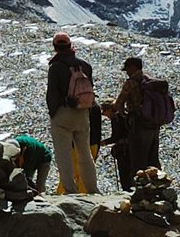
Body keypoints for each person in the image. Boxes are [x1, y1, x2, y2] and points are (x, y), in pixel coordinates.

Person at [44, 33, 99, 193]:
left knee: (64, 155)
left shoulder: (56, 67)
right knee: (85, 153)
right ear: (70, 46)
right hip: (82, 113)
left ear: (55, 47)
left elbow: (52, 93)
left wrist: (53, 113)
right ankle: (92, 189)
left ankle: (70, 190)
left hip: (63, 113)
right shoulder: (85, 66)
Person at [106, 55, 167, 188]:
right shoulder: (150, 81)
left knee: (138, 159)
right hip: (154, 125)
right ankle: (158, 185)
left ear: (132, 67)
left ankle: (139, 189)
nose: (127, 72)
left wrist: (124, 115)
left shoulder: (131, 83)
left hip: (138, 125)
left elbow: (119, 104)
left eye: (127, 69)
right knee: (153, 158)